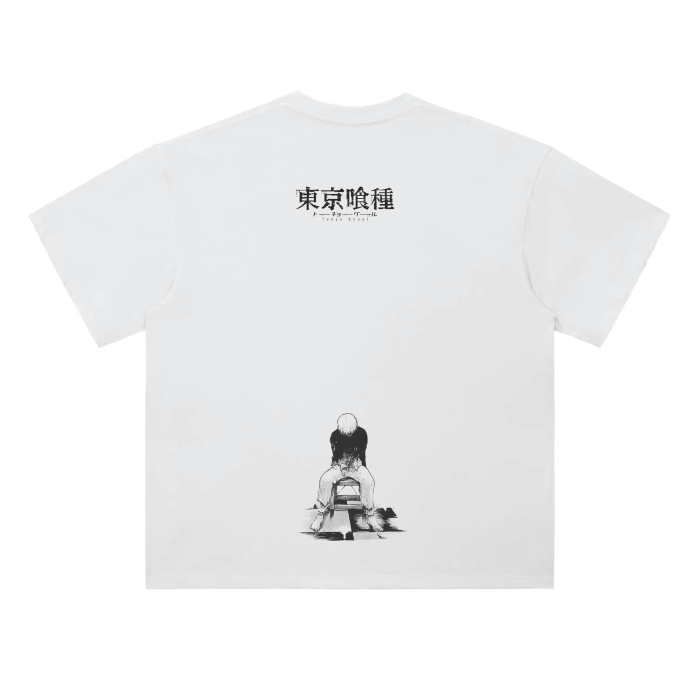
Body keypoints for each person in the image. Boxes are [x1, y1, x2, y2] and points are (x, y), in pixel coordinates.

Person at [310, 413, 383, 532]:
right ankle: (320, 515)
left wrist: (361, 467)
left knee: (368, 481)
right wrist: (340, 465)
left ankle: (370, 516)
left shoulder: (361, 434)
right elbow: (335, 455)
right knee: (325, 479)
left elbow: (362, 453)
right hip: (340, 464)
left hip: (356, 464)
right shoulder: (335, 436)